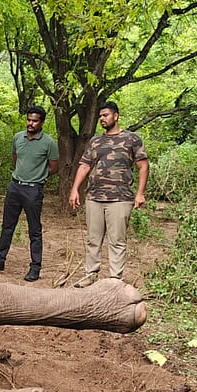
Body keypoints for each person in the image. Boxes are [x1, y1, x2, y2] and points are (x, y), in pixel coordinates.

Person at [68, 101, 148, 287]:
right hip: (94, 197)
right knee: (93, 239)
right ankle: (90, 274)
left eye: (105, 115)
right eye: (100, 116)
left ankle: (115, 279)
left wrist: (140, 193)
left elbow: (143, 165)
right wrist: (74, 189)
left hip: (120, 198)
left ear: (116, 116)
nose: (102, 119)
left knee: (117, 240)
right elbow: (85, 164)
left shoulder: (131, 139)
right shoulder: (95, 141)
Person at [0, 107, 59, 282]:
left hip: (33, 190)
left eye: (35, 121)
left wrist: (38, 176)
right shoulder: (18, 137)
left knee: (34, 230)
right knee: (7, 226)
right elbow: (16, 157)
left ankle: (35, 267)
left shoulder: (49, 143)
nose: (31, 123)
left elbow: (54, 167)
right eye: (29, 120)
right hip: (15, 187)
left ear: (41, 122)